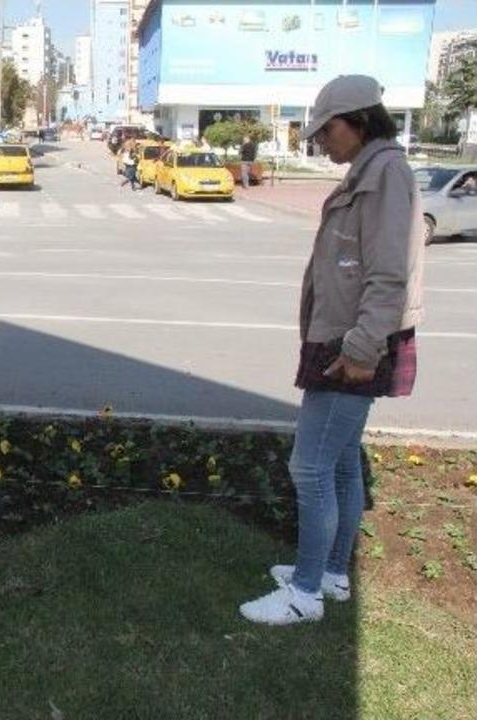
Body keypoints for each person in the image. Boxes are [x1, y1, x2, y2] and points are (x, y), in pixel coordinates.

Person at [240, 75, 425, 626]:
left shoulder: (386, 174)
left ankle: (304, 595)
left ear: (360, 122)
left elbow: (389, 274)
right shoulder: (370, 172)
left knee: (311, 467)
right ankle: (332, 575)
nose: (322, 141)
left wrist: (364, 347)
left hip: (354, 344)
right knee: (342, 462)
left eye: (328, 130)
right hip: (342, 338)